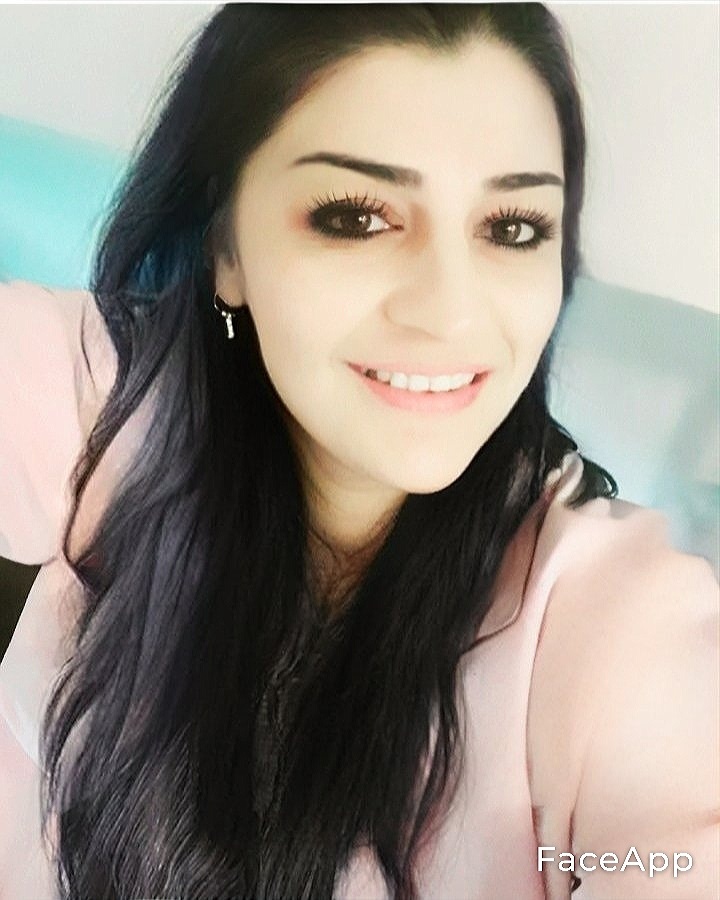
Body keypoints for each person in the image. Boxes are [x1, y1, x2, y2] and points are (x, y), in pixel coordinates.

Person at [0, 4, 717, 898]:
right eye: (356, 217)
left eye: (512, 228)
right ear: (227, 248)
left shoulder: (610, 623)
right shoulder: (110, 404)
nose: (450, 312)